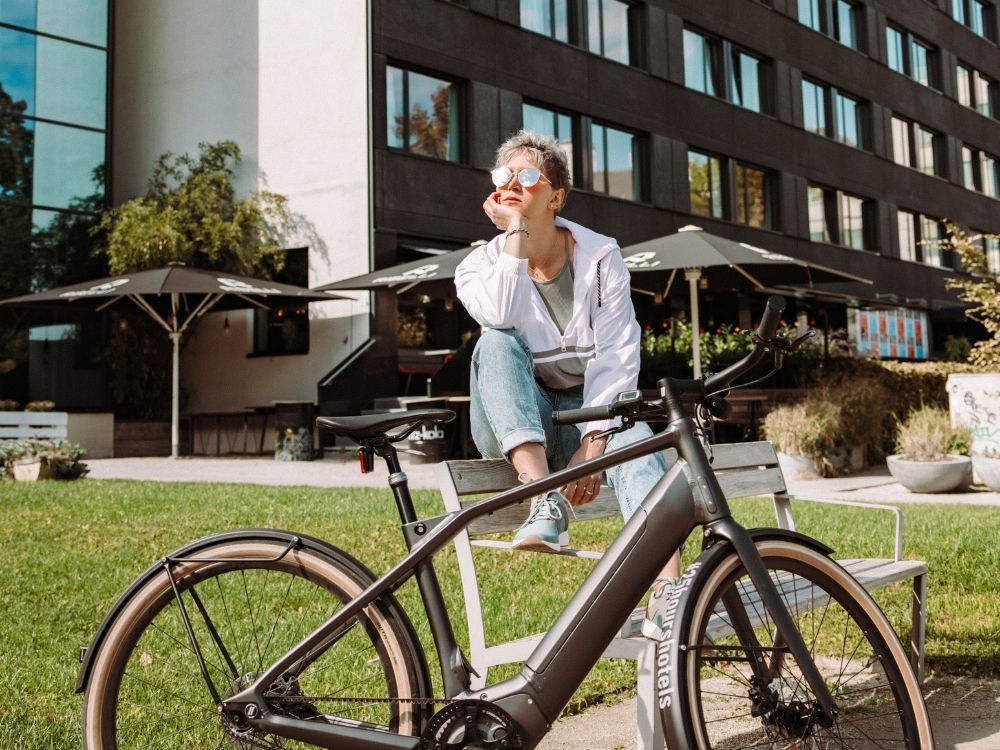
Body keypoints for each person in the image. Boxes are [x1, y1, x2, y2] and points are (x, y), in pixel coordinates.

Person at [454, 130, 679, 635]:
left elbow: (619, 354)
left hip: (589, 415)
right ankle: (543, 498)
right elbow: (500, 315)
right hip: (515, 421)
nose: (513, 182)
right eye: (504, 176)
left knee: (640, 445)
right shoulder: (478, 266)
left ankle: (669, 594)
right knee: (494, 340)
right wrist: (513, 233)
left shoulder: (601, 258)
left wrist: (594, 443)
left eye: (528, 176)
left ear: (556, 196)